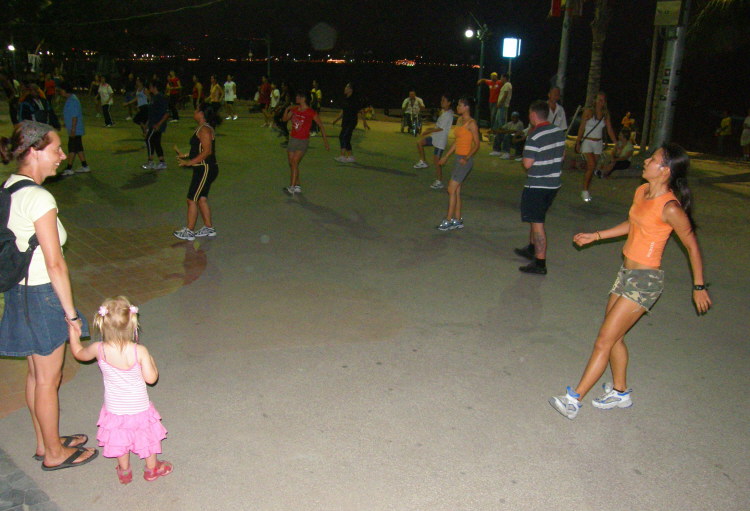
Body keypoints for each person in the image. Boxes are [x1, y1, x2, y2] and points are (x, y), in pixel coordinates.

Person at [549, 143, 712, 419]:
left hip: (645, 280)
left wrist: (698, 286)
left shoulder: (670, 207)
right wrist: (596, 235)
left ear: (665, 170)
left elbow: (692, 246)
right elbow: (632, 224)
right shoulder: (641, 192)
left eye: (653, 159)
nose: (646, 161)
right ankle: (621, 392)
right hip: (625, 274)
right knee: (614, 337)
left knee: (604, 339)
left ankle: (574, 399)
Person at [0, 121, 98, 471]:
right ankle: (54, 455)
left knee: (35, 374)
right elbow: (56, 263)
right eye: (55, 149)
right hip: (42, 296)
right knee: (48, 378)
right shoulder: (40, 198)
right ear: (33, 151)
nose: (62, 155)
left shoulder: (11, 186)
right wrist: (71, 314)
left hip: (19, 293)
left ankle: (46, 443)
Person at [68, 296, 171, 483]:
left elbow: (78, 353)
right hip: (139, 408)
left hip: (114, 408)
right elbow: (151, 378)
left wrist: (73, 333)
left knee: (119, 438)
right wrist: (152, 362)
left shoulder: (98, 349)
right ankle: (151, 469)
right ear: (133, 325)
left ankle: (124, 470)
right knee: (146, 436)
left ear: (102, 325)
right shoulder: (139, 351)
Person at [514, 100, 566, 274]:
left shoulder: (534, 135)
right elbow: (562, 155)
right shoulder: (559, 132)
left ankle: (540, 262)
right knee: (536, 217)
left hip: (537, 184)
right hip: (553, 183)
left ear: (533, 115)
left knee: (537, 223)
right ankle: (531, 248)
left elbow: (527, 164)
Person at [173, 102, 221, 241]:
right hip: (205, 167)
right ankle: (208, 228)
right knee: (201, 198)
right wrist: (186, 155)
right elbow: (199, 149)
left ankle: (189, 230)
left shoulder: (204, 130)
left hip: (205, 168)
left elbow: (207, 151)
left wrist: (189, 162)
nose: (194, 112)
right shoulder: (202, 128)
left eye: (196, 110)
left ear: (201, 114)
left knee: (191, 199)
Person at [436, 96, 480, 231]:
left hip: (464, 160)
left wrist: (466, 158)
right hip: (457, 158)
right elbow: (457, 142)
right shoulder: (460, 120)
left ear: (467, 107)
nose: (458, 107)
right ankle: (457, 219)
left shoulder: (472, 123)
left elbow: (477, 145)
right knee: (457, 190)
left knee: (451, 189)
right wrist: (446, 156)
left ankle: (448, 220)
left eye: (460, 105)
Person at [281, 91, 330, 195]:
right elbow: (284, 119)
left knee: (294, 162)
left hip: (303, 141)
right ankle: (297, 185)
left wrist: (325, 142)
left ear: (303, 99)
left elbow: (321, 125)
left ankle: (292, 187)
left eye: (298, 96)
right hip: (293, 139)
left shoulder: (310, 112)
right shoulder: (294, 110)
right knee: (292, 163)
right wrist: (286, 109)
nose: (296, 97)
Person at [575, 91, 617, 202]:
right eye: (599, 100)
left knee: (591, 167)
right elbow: (582, 127)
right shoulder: (588, 112)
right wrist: (578, 142)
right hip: (588, 141)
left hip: (598, 143)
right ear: (594, 100)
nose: (600, 102)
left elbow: (609, 129)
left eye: (603, 100)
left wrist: (616, 142)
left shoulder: (605, 114)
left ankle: (587, 188)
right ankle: (584, 190)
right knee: (592, 165)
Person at [413, 93, 454, 189]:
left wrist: (428, 130)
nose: (441, 102)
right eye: (441, 100)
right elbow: (438, 126)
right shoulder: (444, 112)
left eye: (443, 100)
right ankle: (423, 161)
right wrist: (430, 130)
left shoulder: (448, 115)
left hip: (440, 141)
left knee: (437, 162)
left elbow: (441, 128)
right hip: (435, 137)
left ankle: (439, 181)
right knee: (420, 143)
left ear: (449, 103)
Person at [58, 82, 90, 176]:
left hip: (75, 129)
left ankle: (69, 168)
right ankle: (85, 166)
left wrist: (72, 129)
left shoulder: (72, 100)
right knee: (78, 147)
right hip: (74, 128)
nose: (60, 92)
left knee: (72, 148)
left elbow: (75, 116)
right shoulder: (71, 99)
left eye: (61, 90)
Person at [332, 82, 369, 163]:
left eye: (346, 87)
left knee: (344, 137)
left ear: (350, 89)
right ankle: (351, 156)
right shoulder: (346, 99)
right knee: (345, 138)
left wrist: (365, 123)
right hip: (345, 120)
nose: (344, 89)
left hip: (352, 121)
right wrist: (336, 119)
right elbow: (343, 111)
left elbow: (361, 111)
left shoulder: (355, 99)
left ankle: (342, 156)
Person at [142, 81, 169, 171]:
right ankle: (162, 162)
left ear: (154, 87)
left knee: (148, 139)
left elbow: (166, 113)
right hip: (153, 123)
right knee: (156, 142)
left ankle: (150, 161)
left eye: (150, 86)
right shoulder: (153, 98)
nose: (149, 88)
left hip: (157, 124)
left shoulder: (160, 97)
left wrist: (159, 124)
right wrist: (147, 123)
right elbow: (152, 112)